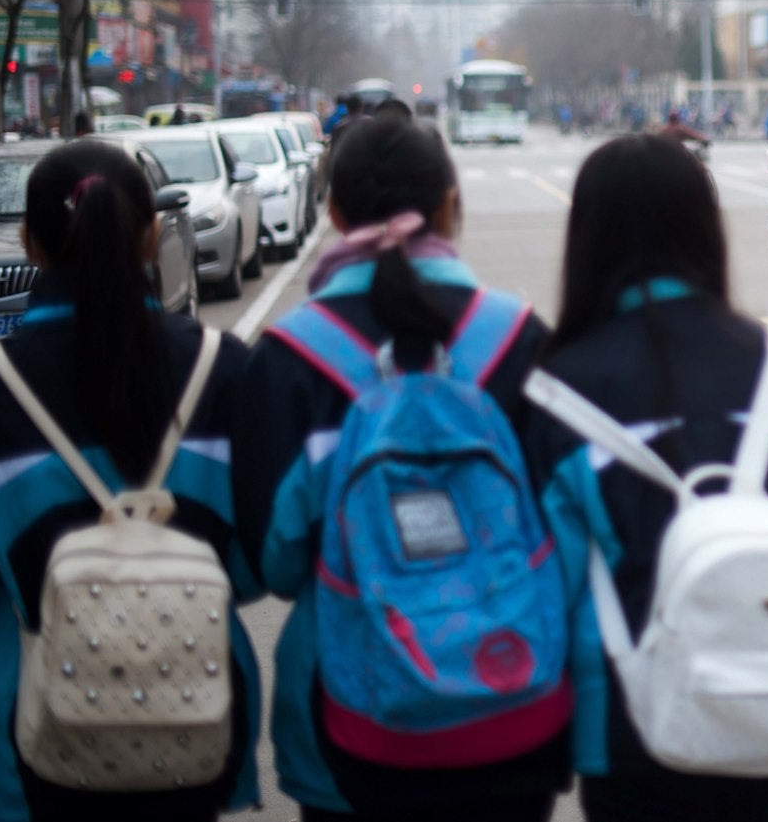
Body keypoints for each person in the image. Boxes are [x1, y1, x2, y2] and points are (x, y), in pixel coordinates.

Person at [234, 116, 569, 821]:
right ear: (452, 202)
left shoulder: (285, 358)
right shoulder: (518, 338)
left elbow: (276, 564)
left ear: (331, 211)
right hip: (511, 710)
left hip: (350, 718)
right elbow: (564, 533)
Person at [527, 134, 768, 822]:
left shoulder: (559, 391)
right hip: (767, 705)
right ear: (704, 228)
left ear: (586, 238)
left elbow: (544, 592)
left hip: (627, 721)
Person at [0, 139, 260, 821]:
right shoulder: (224, 367)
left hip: (36, 741)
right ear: (153, 236)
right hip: (196, 726)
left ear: (29, 242)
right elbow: (257, 558)